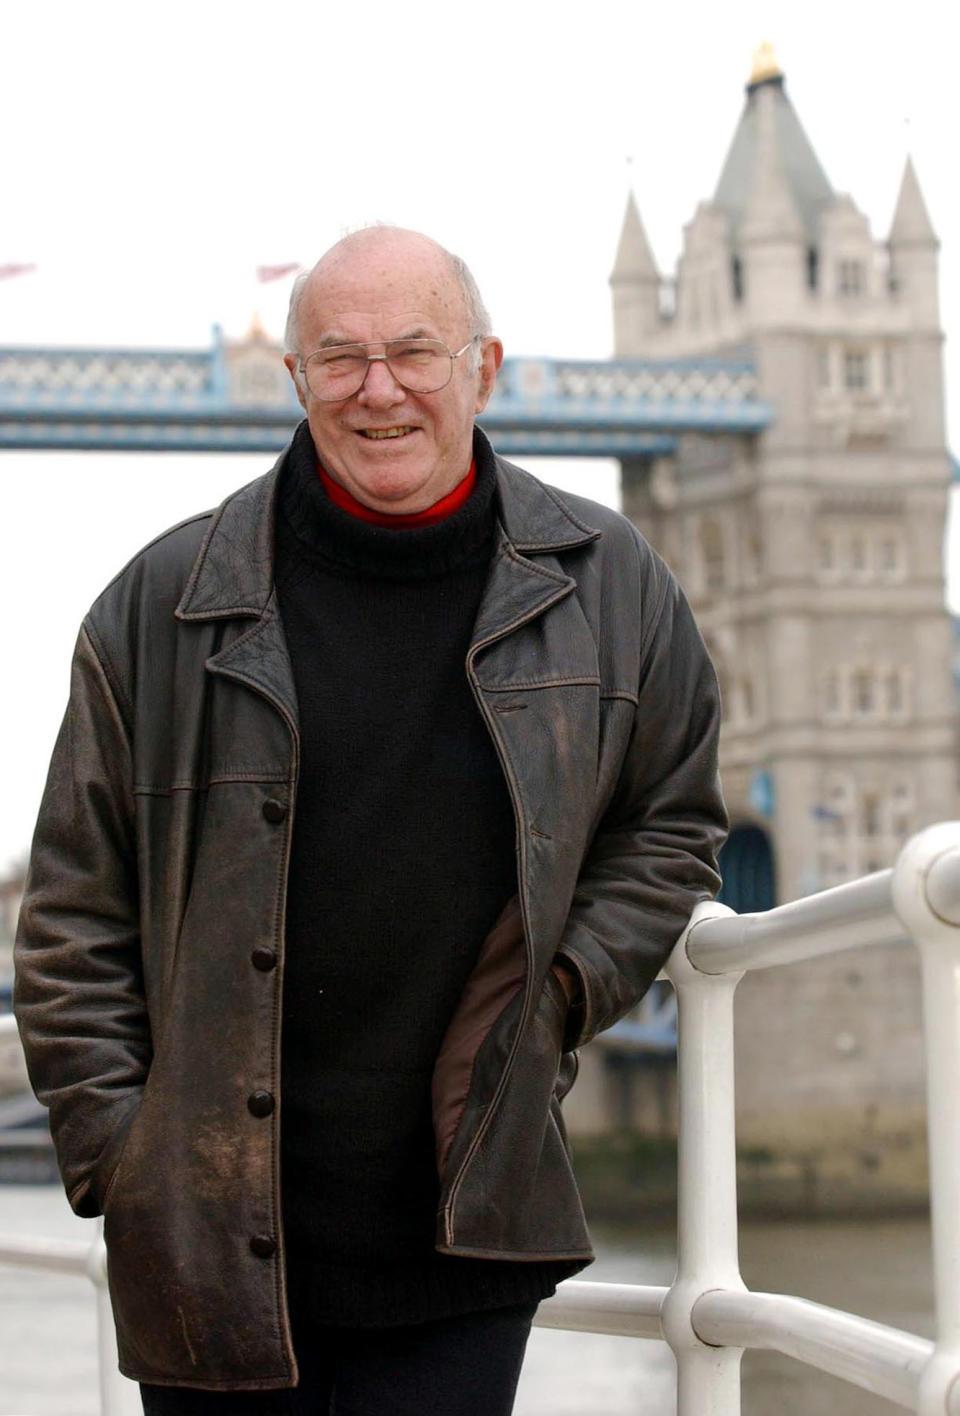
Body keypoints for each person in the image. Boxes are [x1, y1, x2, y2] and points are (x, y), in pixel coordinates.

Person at [14, 226, 727, 1414]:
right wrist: (125, 1166)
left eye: (414, 352)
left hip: (463, 1222)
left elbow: (671, 825)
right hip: (207, 1234)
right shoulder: (155, 606)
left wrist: (559, 997)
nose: (378, 389)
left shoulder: (616, 586)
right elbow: (71, 914)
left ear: (483, 367)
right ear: (293, 381)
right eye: (339, 357)